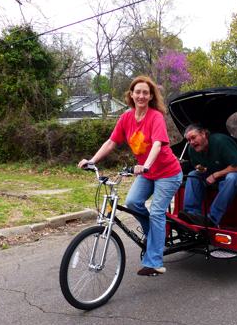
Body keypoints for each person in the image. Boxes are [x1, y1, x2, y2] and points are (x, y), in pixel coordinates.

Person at [78, 75, 182, 277]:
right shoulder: (126, 118)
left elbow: (158, 144)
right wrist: (92, 161)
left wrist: (145, 166)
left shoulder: (155, 117)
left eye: (145, 92)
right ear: (131, 95)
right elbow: (111, 142)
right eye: (138, 92)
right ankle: (155, 235)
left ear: (151, 96)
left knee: (157, 212)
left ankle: (154, 262)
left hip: (168, 173)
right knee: (133, 202)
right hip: (148, 173)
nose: (141, 95)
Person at [179, 124, 237, 228]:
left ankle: (212, 219)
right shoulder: (192, 149)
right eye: (188, 140)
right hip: (213, 172)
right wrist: (201, 169)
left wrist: (215, 175)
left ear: (204, 134)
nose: (191, 142)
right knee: (193, 175)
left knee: (231, 178)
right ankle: (191, 214)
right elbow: (198, 166)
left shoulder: (220, 141)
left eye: (193, 137)